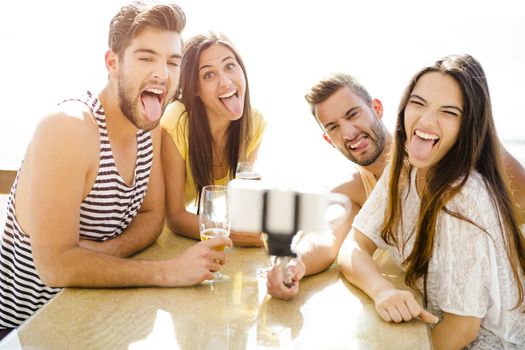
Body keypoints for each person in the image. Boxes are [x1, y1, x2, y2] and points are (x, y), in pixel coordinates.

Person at [0, 1, 231, 338]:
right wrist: (167, 272)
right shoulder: (68, 128)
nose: (162, 74)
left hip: (94, 324)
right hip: (24, 332)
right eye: (146, 57)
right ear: (113, 63)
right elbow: (55, 267)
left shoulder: (149, 126)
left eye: (172, 61)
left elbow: (152, 217)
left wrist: (104, 253)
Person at [267, 70, 525, 300]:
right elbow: (325, 237)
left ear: (376, 108)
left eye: (353, 114)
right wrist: (294, 263)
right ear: (327, 139)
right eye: (334, 127)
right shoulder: (356, 188)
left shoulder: (439, 147)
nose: (348, 133)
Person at [338, 54, 524, 349]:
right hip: (436, 323)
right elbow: (353, 246)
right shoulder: (404, 168)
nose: (425, 120)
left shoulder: (463, 195)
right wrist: (382, 290)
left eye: (448, 112)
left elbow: (462, 328)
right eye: (418, 103)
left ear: (468, 126)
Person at [160, 32, 266, 247]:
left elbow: (242, 204)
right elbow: (175, 217)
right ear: (195, 88)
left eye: (230, 66)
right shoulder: (177, 120)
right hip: (156, 233)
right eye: (209, 75)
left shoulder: (253, 123)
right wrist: (238, 236)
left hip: (186, 236)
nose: (226, 82)